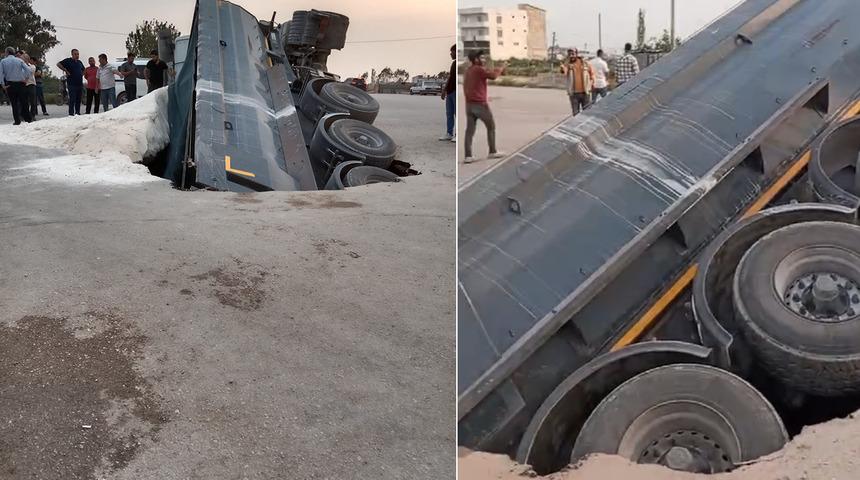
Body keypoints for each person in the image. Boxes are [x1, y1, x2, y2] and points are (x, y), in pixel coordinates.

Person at [463, 50, 506, 164]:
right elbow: (493, 76)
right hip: (480, 105)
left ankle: (468, 156)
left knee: (469, 131)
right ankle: (492, 151)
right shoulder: (479, 69)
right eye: (481, 58)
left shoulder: (468, 71)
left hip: (469, 105)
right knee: (491, 127)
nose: (484, 60)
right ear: (476, 59)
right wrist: (501, 68)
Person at [0, 46, 33, 124]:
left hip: (10, 84)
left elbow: (1, 74)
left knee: (14, 103)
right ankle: (28, 119)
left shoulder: (3, 61)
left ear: (7, 52)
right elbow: (28, 70)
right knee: (24, 102)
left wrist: (3, 85)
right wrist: (25, 78)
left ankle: (17, 121)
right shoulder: (19, 60)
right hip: (21, 83)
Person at [560, 48, 594, 116]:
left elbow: (592, 75)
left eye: (573, 54)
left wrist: (591, 85)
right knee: (575, 114)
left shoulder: (585, 63)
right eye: (569, 54)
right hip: (574, 94)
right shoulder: (568, 64)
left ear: (576, 54)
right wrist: (562, 68)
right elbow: (564, 72)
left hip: (585, 93)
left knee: (587, 113)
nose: (571, 56)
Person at [57, 48, 85, 115]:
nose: (77, 55)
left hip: (79, 84)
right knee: (72, 99)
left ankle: (77, 113)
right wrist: (65, 70)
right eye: (75, 54)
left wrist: (82, 74)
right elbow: (58, 64)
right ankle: (71, 113)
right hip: (71, 84)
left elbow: (84, 70)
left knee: (78, 100)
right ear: (72, 54)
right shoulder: (68, 60)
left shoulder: (79, 62)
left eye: (78, 54)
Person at [439, 44, 457, 142]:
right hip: (450, 92)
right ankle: (449, 133)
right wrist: (444, 90)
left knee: (456, 114)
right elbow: (450, 77)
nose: (451, 54)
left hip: (456, 92)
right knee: (449, 113)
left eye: (452, 52)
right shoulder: (454, 64)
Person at [20, 52, 38, 121]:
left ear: (26, 59)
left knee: (33, 101)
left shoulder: (32, 66)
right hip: (24, 85)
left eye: (22, 58)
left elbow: (29, 73)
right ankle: (24, 115)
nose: (21, 60)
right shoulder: (21, 67)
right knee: (24, 101)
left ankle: (32, 115)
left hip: (31, 84)